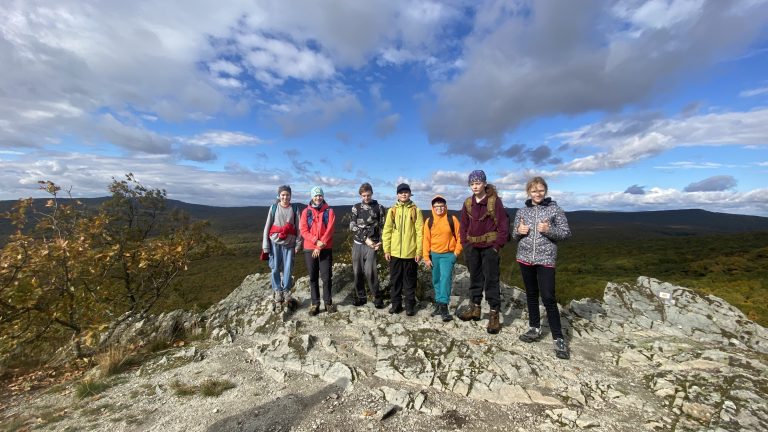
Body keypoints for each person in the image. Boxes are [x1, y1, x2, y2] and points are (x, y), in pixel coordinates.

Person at [512, 176, 572, 359]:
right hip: (524, 258)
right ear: (528, 192)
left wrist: (548, 230)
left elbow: (566, 234)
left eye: (540, 190)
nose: (537, 194)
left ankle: (558, 338)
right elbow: (514, 235)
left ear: (545, 191)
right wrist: (518, 232)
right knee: (531, 294)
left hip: (546, 259)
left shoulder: (555, 210)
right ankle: (534, 328)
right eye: (534, 190)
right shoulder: (522, 211)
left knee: (548, 297)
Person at [458, 170, 509, 334]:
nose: (475, 186)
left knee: (491, 281)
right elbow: (463, 226)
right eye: (472, 184)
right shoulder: (468, 203)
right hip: (472, 247)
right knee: (475, 277)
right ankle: (475, 308)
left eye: (478, 183)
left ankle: (494, 314)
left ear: (484, 183)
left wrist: (497, 246)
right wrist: (465, 243)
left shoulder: (494, 202)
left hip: (489, 247)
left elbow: (503, 225)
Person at [382, 183, 423, 316]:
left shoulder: (416, 210)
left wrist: (419, 252)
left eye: (406, 192)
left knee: (410, 281)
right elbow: (387, 231)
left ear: (410, 194)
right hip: (394, 253)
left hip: (410, 253)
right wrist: (386, 250)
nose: (404, 194)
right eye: (401, 192)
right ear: (397, 195)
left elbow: (420, 232)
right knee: (395, 281)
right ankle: (396, 305)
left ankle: (410, 306)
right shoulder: (392, 210)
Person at [262, 185, 303, 311]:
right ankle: (277, 290)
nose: (285, 197)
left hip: (289, 243)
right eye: (283, 195)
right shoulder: (274, 208)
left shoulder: (295, 208)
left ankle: (286, 290)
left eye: (287, 195)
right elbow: (267, 226)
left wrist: (298, 243)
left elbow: (299, 228)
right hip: (275, 242)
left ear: (290, 196)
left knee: (288, 268)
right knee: (274, 267)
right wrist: (265, 245)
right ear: (279, 196)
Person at [422, 195, 462, 322]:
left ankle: (444, 307)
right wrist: (426, 257)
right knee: (436, 280)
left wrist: (456, 253)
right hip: (434, 255)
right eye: (436, 206)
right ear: (432, 207)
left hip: (448, 254)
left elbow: (461, 237)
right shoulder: (429, 221)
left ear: (445, 206)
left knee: (445, 279)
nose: (439, 208)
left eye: (441, 205)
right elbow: (426, 240)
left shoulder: (452, 219)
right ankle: (439, 304)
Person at [299, 186, 336, 315]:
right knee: (313, 277)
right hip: (310, 249)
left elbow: (330, 230)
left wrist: (319, 246)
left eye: (320, 195)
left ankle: (328, 303)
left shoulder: (329, 211)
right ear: (312, 197)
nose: (318, 198)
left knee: (326, 277)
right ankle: (315, 304)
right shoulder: (306, 212)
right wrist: (316, 242)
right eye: (315, 195)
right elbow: (303, 230)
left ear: (323, 196)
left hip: (325, 248)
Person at [349, 182, 386, 309]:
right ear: (361, 195)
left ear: (372, 193)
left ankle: (377, 297)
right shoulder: (356, 207)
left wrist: (381, 242)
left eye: (368, 195)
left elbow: (383, 226)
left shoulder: (379, 207)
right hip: (358, 244)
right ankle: (361, 298)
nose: (366, 198)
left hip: (373, 245)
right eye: (363, 195)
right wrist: (365, 239)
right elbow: (352, 226)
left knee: (370, 272)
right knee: (357, 271)